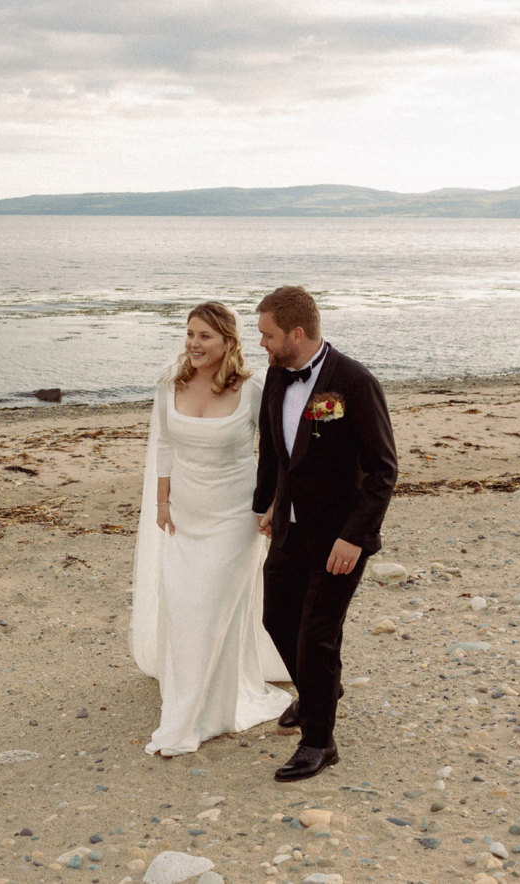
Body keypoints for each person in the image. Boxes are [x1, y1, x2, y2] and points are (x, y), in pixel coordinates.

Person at [131, 301, 290, 757]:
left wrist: (273, 505)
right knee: (184, 610)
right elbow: (163, 443)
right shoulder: (170, 382)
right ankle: (211, 702)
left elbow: (276, 451)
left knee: (210, 611)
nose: (194, 344)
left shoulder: (252, 388)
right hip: (185, 513)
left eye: (204, 336)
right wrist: (162, 501)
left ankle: (188, 719)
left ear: (227, 341)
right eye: (189, 334)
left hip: (234, 517)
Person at [253, 286, 397, 781]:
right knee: (276, 619)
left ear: (296, 333)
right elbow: (273, 448)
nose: (263, 344)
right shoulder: (278, 374)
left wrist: (355, 536)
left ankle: (319, 742)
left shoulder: (354, 382)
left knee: (317, 636)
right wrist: (266, 503)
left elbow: (383, 469)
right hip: (289, 527)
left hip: (340, 539)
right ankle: (320, 691)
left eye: (268, 335)